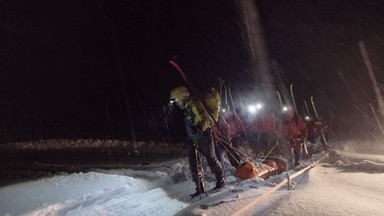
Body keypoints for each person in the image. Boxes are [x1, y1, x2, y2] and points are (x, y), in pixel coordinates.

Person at [169, 86, 225, 198]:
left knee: (211, 158)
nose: (176, 102)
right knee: (194, 164)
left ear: (183, 97)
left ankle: (220, 180)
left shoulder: (195, 104)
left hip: (204, 136)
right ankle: (200, 188)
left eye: (177, 100)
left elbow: (204, 119)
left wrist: (199, 128)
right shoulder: (186, 107)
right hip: (192, 138)